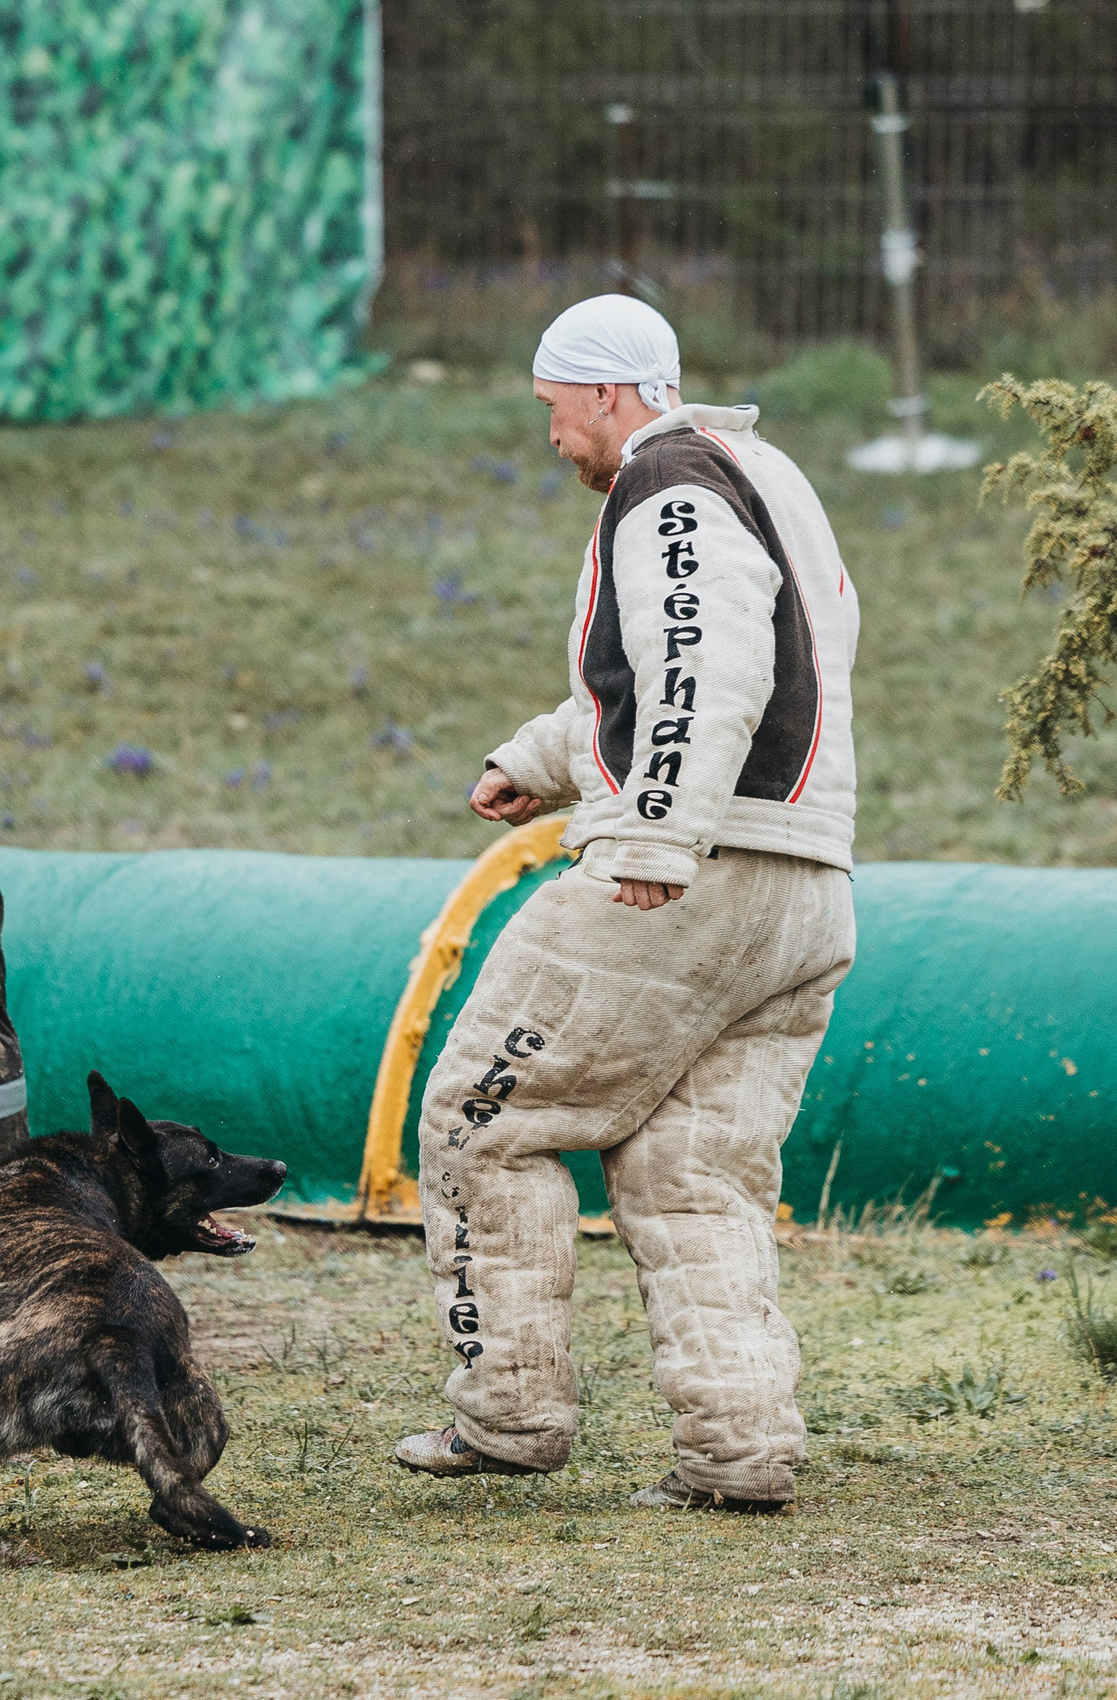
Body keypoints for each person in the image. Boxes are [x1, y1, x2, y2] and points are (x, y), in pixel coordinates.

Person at [391, 294, 859, 1514]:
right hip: (805, 888)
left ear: (607, 393)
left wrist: (652, 832)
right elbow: (708, 666)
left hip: (690, 881)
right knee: (691, 1177)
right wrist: (540, 762)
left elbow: (708, 664)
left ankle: (506, 1414)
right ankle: (737, 1449)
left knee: (472, 1123)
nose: (550, 436)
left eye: (552, 410)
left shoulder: (668, 485)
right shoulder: (760, 473)